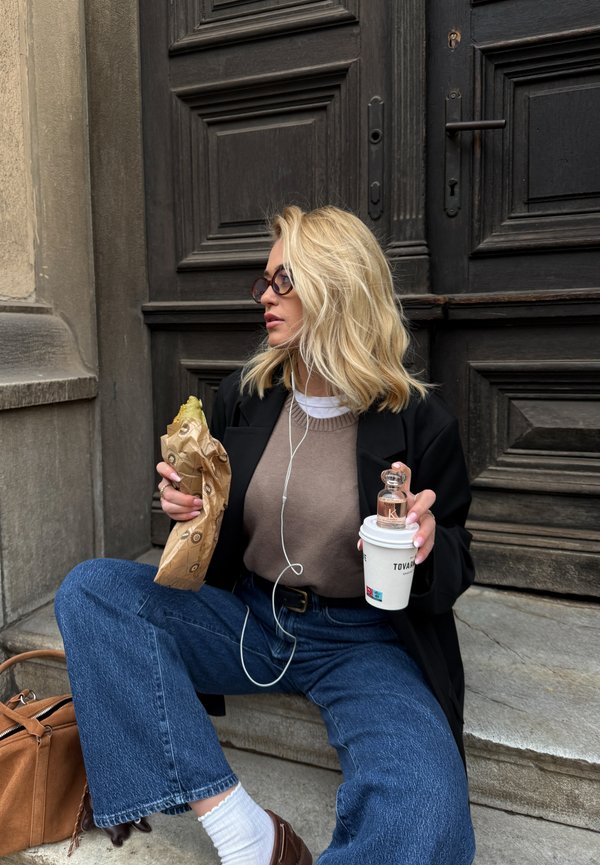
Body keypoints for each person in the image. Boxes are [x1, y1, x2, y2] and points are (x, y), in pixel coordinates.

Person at [55, 205, 476, 865]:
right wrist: (193, 512)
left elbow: (455, 560)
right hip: (250, 616)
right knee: (93, 590)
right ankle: (244, 832)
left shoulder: (419, 423)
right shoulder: (244, 398)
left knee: (429, 812)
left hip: (362, 640)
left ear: (336, 286)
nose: (265, 297)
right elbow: (218, 542)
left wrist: (425, 544)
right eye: (266, 280)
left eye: (285, 281)